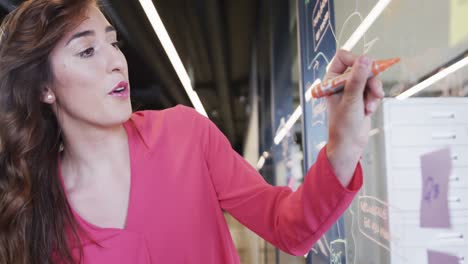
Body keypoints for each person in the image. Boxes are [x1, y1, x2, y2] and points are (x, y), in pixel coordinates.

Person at [0, 0, 384, 263]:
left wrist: (344, 142)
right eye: (87, 52)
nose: (116, 61)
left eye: (113, 43)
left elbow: (290, 225)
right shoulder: (36, 203)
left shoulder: (186, 134)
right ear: (44, 88)